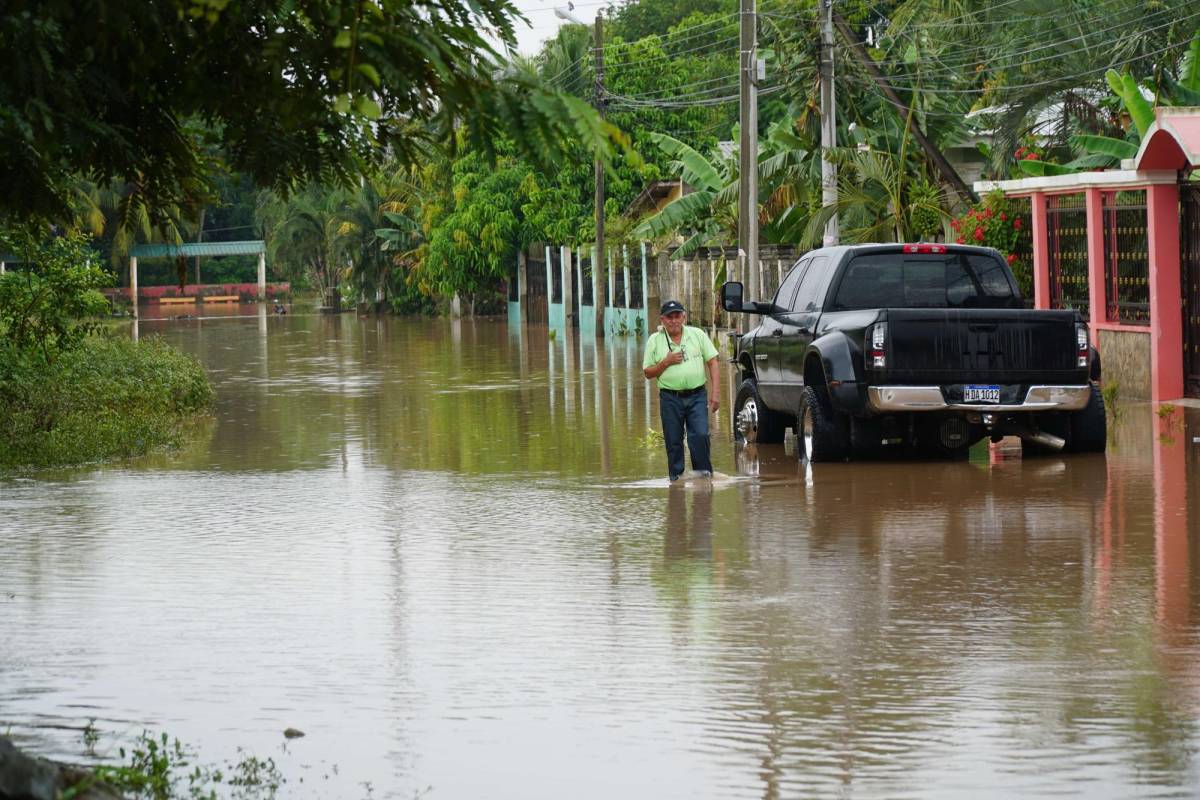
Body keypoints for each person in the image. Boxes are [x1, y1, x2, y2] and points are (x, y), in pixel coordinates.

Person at [642, 300, 720, 481]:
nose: (674, 320)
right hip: (670, 398)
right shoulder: (654, 340)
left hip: (697, 395)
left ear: (684, 317)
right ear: (662, 320)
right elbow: (647, 372)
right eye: (669, 317)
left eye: (677, 316)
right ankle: (676, 483)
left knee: (700, 435)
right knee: (673, 441)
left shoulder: (697, 334)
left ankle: (704, 479)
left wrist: (715, 393)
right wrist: (666, 362)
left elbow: (713, 362)